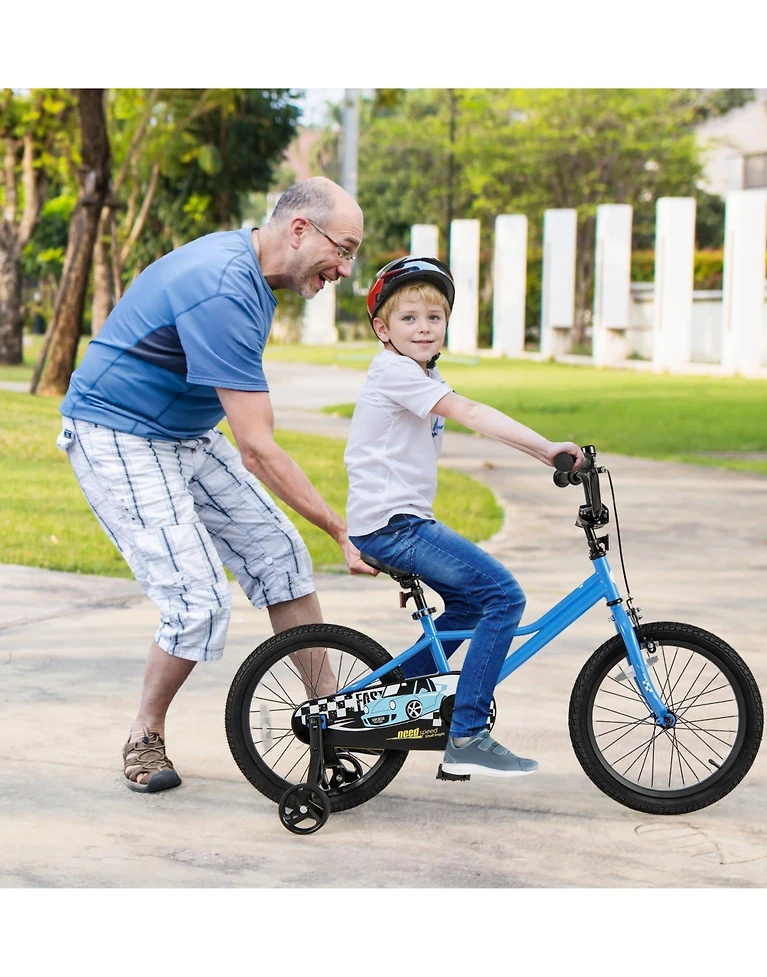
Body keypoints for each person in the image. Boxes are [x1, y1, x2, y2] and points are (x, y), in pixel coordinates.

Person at [57, 177, 377, 793]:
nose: (344, 267)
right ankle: (144, 736)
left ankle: (331, 719)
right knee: (196, 600)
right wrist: (340, 528)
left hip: (183, 434)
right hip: (117, 433)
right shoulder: (225, 286)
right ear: (300, 230)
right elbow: (258, 447)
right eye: (344, 248)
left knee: (280, 556)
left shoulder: (256, 275)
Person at [344, 257, 584, 778]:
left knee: (471, 606)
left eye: (434, 317)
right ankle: (468, 732)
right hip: (394, 526)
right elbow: (472, 414)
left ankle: (385, 703)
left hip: (395, 522)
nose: (424, 327)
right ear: (382, 330)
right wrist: (546, 449)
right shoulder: (395, 372)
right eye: (408, 319)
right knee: (504, 596)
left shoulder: (419, 373)